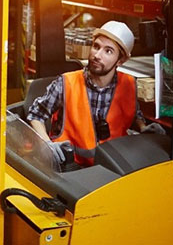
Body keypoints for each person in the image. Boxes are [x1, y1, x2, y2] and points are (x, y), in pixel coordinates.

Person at [27, 21, 165, 167]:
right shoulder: (66, 83)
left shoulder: (128, 85)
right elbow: (36, 115)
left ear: (121, 60)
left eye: (108, 51)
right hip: (70, 169)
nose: (97, 55)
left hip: (113, 168)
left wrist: (143, 127)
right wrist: (47, 145)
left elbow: (132, 114)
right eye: (96, 46)